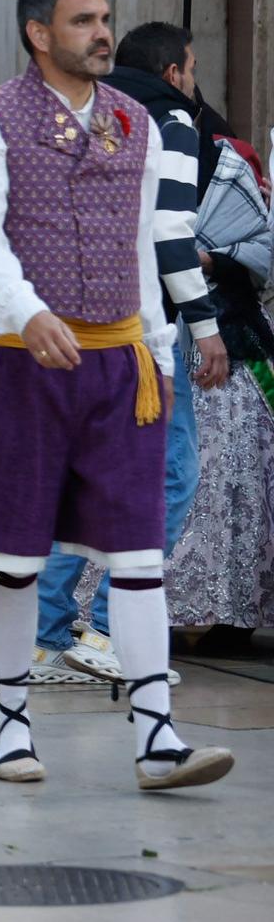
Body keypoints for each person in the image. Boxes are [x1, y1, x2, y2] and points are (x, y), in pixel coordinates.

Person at [0, 0, 233, 791]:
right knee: (14, 556)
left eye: (106, 18)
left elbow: (151, 240)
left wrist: (161, 345)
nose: (103, 32)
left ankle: (157, 734)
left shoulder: (141, 122)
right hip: (17, 365)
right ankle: (12, 727)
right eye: (85, 21)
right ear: (39, 33)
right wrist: (26, 311)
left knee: (138, 551)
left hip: (119, 366)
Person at [34, 21, 228, 681]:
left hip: (77, 320)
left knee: (90, 476)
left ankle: (45, 635)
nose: (197, 82)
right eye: (194, 69)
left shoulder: (93, 112)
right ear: (173, 73)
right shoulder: (172, 120)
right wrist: (205, 326)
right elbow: (172, 233)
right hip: (140, 331)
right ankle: (111, 632)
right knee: (172, 476)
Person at [165, 136, 274, 646]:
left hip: (235, 355)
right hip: (174, 352)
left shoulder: (228, 163)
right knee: (186, 485)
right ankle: (154, 613)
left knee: (235, 489)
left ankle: (234, 616)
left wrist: (212, 259)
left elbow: (261, 248)